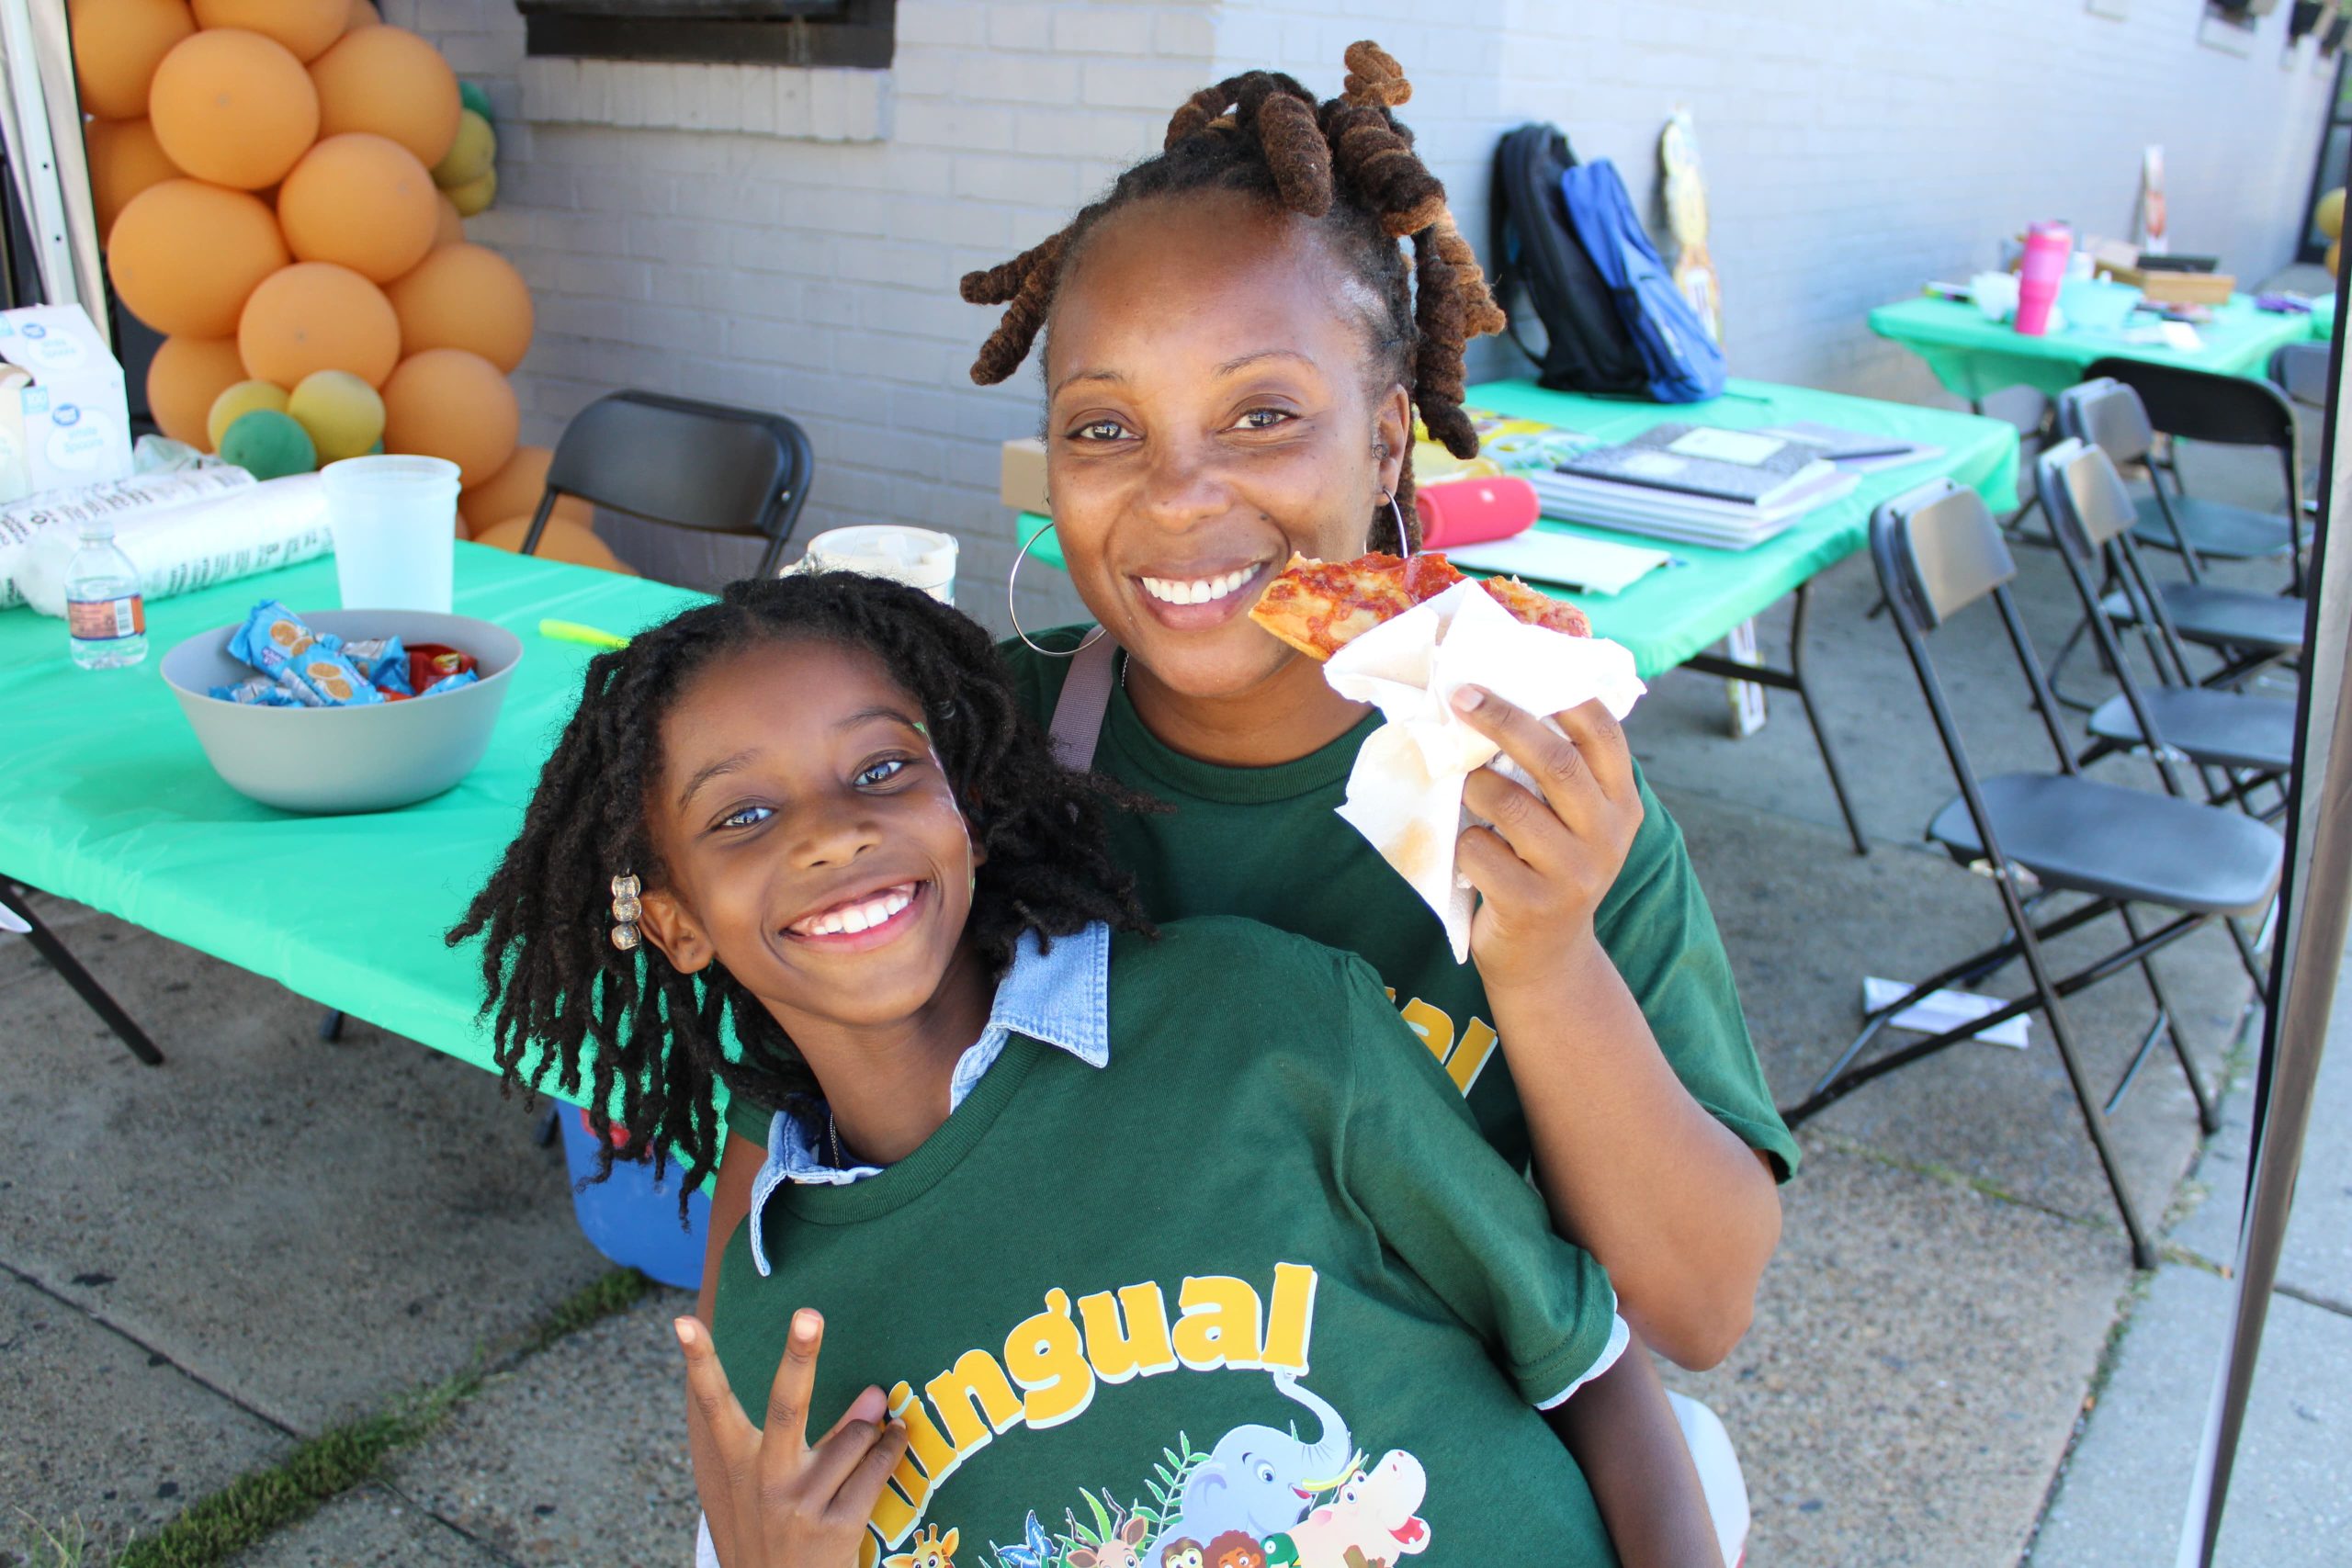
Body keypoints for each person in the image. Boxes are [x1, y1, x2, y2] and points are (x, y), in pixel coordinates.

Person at [450, 572, 1717, 1567]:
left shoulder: (1265, 1022)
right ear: (673, 921)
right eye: (742, 815)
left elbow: (1595, 1372)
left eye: (882, 769)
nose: (834, 833)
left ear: (965, 805)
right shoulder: (781, 1316)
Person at [951, 41, 1799, 1373]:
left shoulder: (1541, 784)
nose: (1176, 496)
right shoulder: (972, 753)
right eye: (1103, 428)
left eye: (1262, 415)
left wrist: (1544, 958)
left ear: (1389, 440)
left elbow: (1699, 1309)